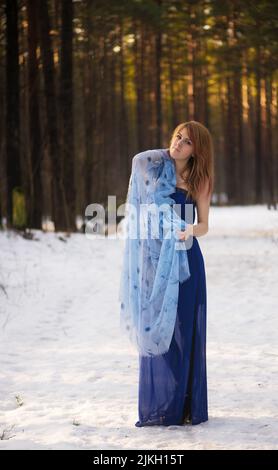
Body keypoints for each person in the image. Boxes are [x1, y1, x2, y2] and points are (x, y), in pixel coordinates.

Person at [135, 120, 214, 427]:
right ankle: (162, 403)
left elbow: (205, 225)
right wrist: (165, 155)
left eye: (187, 142)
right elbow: (136, 161)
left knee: (183, 329)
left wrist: (188, 230)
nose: (179, 143)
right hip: (156, 260)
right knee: (158, 329)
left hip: (186, 260)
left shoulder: (200, 180)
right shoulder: (155, 168)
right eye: (178, 137)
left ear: (197, 151)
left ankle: (184, 405)